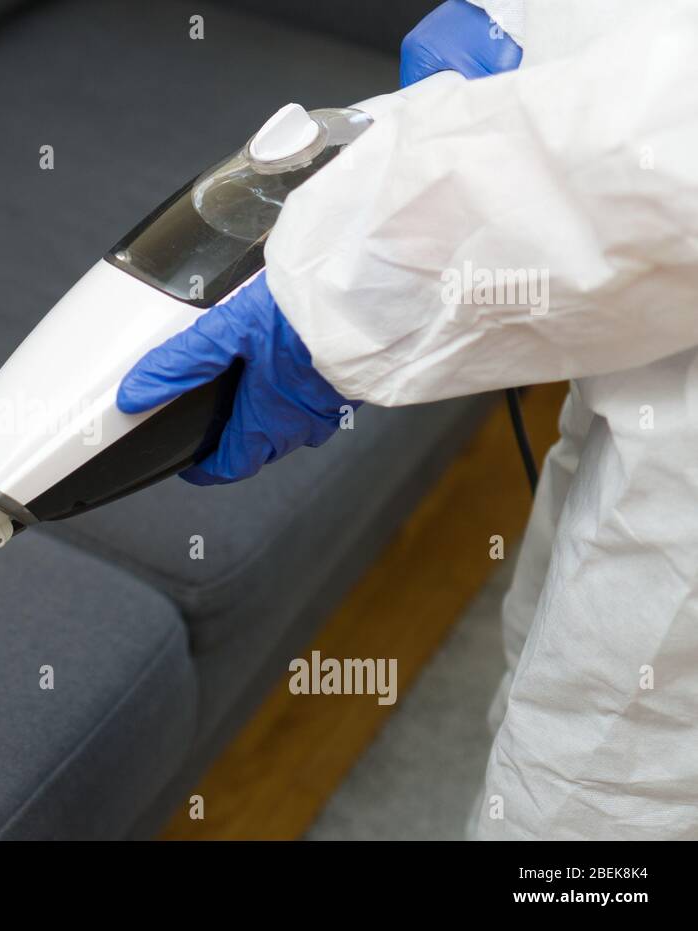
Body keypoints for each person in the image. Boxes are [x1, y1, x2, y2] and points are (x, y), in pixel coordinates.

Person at [117, 0, 698, 840]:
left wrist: (345, 284)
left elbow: (669, 151)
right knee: (549, 648)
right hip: (647, 348)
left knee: (597, 798)